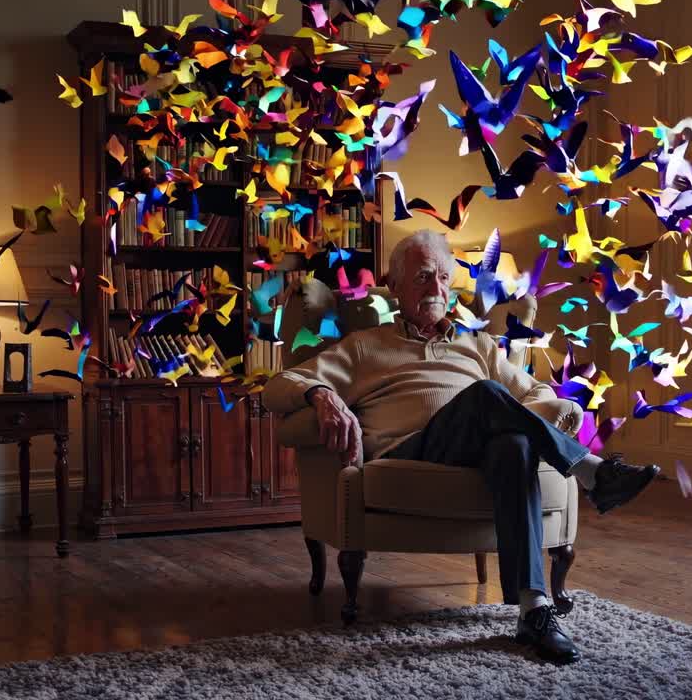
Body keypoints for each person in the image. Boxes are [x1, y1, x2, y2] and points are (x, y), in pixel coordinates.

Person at [262, 229, 660, 664]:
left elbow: (534, 394)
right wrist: (321, 395)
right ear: (393, 286)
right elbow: (279, 386)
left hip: (475, 452)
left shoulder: (479, 345)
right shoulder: (363, 347)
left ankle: (535, 610)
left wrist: (552, 411)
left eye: (444, 278)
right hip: (410, 451)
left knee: (513, 445)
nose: (436, 289)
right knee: (487, 394)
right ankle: (592, 472)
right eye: (422, 278)